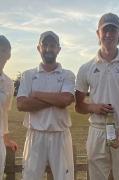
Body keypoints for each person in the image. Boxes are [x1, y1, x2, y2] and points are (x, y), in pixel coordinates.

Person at [75, 13, 119, 180]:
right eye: (104, 30)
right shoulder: (85, 68)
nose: (108, 34)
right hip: (97, 131)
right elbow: (78, 106)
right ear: (98, 33)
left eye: (113, 30)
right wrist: (93, 107)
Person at [17, 31, 75, 180]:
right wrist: (55, 99)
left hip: (60, 134)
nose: (49, 49)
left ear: (58, 49)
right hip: (35, 134)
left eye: (52, 45)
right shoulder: (28, 75)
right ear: (38, 48)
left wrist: (36, 94)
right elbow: (22, 104)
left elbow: (65, 101)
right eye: (45, 45)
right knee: (30, 177)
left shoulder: (67, 75)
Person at [0, 35, 18, 180]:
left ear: (9, 54)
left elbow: (4, 114)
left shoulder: (8, 83)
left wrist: (6, 140)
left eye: (3, 50)